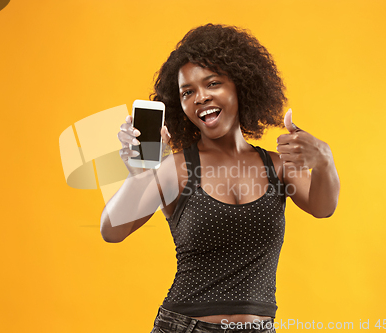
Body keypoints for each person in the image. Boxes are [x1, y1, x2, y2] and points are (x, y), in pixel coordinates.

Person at [100, 23, 340, 333]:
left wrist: (323, 159)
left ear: (239, 85)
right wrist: (139, 175)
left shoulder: (276, 167)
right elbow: (112, 231)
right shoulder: (178, 169)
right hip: (183, 326)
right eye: (188, 92)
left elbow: (323, 207)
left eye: (212, 84)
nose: (200, 97)